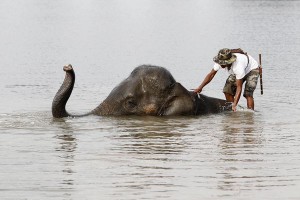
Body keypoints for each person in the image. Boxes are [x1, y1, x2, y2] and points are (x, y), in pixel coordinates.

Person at [194, 48, 260, 112]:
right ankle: (233, 110)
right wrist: (200, 87)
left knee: (248, 93)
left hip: (252, 69)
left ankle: (250, 114)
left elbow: (239, 87)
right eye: (220, 63)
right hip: (240, 70)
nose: (221, 65)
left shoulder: (238, 66)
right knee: (227, 90)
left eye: (223, 63)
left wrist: (235, 104)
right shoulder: (220, 60)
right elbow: (211, 75)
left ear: (229, 62)